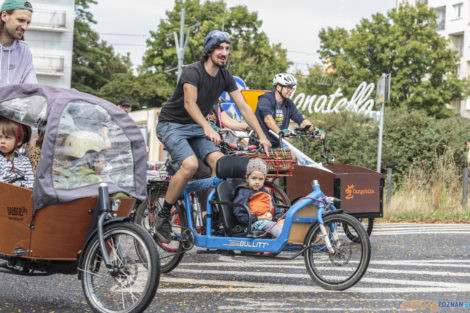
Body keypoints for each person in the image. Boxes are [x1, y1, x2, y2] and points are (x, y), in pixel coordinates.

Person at [155, 29, 271, 243]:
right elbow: (189, 103)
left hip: (195, 127)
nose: (224, 52)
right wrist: (207, 128)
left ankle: (212, 212)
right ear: (209, 50)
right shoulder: (193, 72)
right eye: (219, 48)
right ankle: (163, 216)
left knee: (221, 163)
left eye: (227, 48)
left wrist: (262, 136)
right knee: (190, 165)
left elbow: (244, 107)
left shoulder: (225, 76)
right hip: (172, 125)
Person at [254, 73, 325, 148]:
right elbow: (268, 119)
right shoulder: (266, 99)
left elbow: (301, 120)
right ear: (278, 87)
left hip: (278, 144)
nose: (290, 91)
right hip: (260, 144)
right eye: (288, 88)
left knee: (295, 157)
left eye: (291, 88)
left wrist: (314, 130)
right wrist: (279, 132)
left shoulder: (289, 104)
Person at [232, 158, 284, 237]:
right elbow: (240, 215)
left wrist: (280, 218)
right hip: (249, 226)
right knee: (269, 224)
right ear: (247, 178)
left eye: (260, 179)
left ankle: (288, 237)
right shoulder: (243, 192)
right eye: (254, 178)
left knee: (284, 222)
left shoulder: (264, 192)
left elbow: (274, 208)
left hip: (265, 221)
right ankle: (283, 238)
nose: (257, 182)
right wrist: (259, 218)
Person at [0, 0, 37, 86]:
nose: (25, 27)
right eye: (21, 20)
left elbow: (31, 88)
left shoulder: (24, 51)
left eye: (28, 23)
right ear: (4, 16)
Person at [0, 116, 34, 189]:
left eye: (7, 137)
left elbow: (31, 181)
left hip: (19, 195)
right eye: (0, 137)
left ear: (19, 141)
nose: (2, 141)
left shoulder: (25, 161)